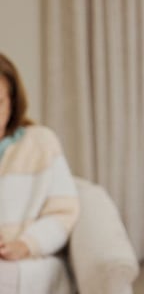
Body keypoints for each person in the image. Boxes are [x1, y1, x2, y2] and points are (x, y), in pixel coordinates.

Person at [0, 53, 80, 294]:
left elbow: (63, 214)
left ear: (12, 101)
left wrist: (25, 245)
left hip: (25, 261)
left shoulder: (41, 143)